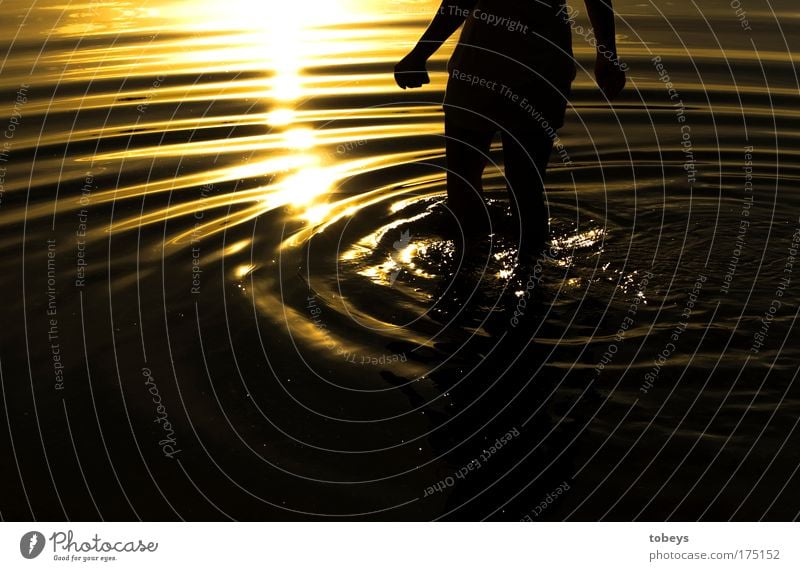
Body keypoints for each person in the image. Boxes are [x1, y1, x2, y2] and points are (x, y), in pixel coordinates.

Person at [394, 0, 625, 256]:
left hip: (483, 66)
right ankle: (529, 277)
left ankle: (468, 275)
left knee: (465, 184)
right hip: (539, 69)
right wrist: (607, 55)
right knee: (525, 188)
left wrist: (419, 54)